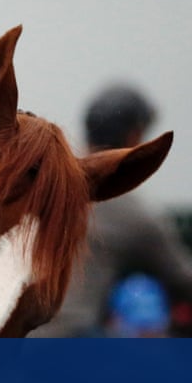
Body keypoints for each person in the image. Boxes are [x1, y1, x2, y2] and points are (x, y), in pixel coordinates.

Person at [31, 84, 192, 338]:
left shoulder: (47, 185)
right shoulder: (132, 214)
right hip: (70, 341)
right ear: (134, 137)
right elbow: (183, 280)